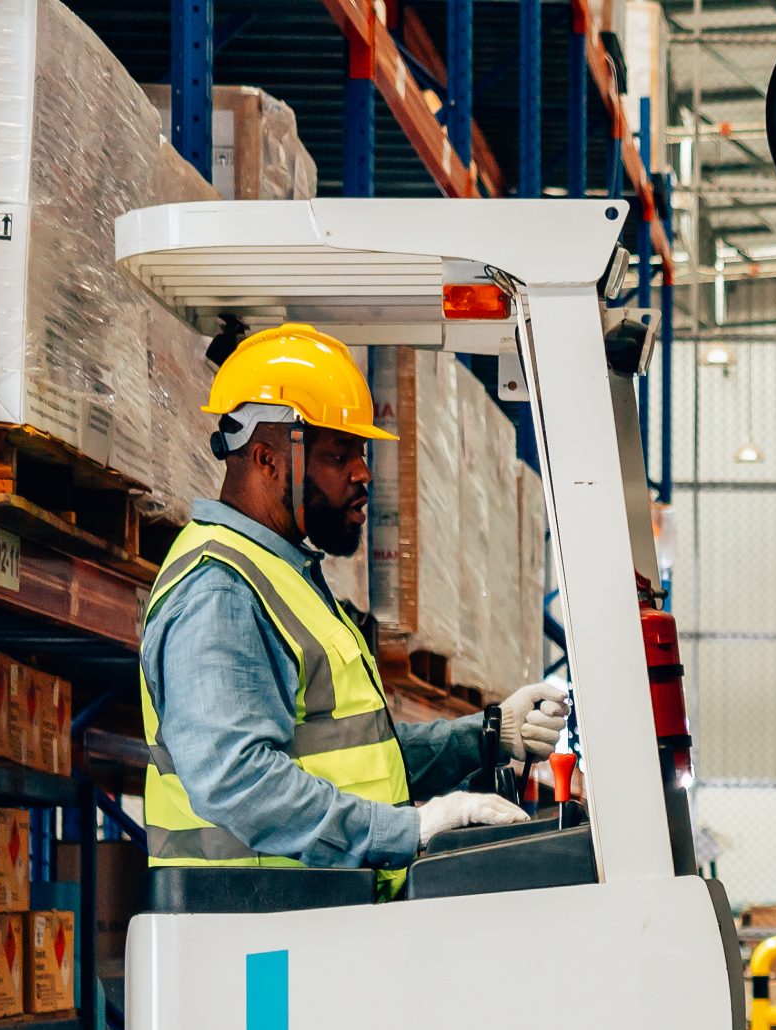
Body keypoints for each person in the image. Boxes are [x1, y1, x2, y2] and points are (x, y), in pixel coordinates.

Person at [140, 323, 565, 890]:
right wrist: (410, 830)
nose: (364, 474)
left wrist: (488, 734)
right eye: (340, 455)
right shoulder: (222, 591)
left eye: (361, 453)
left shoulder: (283, 576)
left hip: (309, 917)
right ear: (267, 458)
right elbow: (236, 780)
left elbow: (356, 754)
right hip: (257, 933)